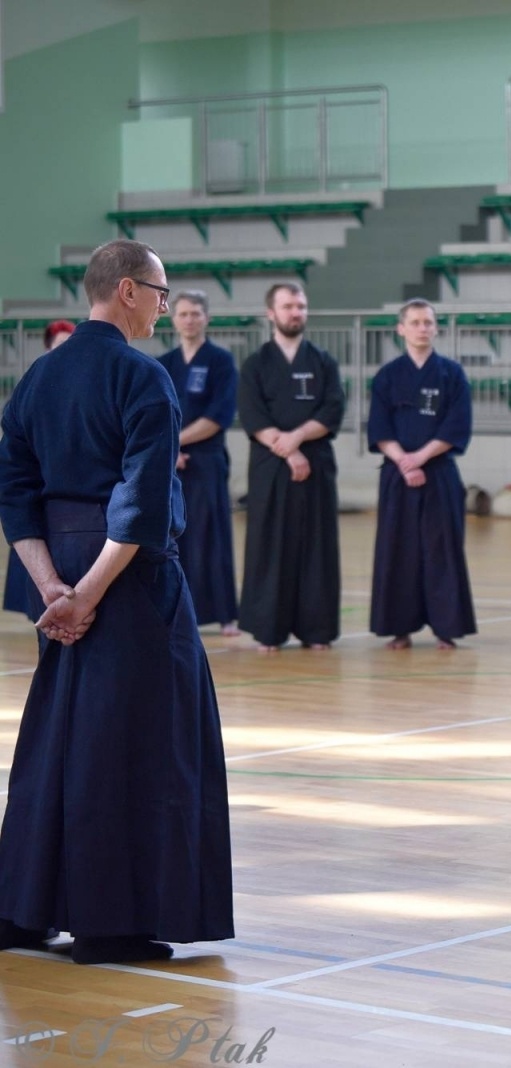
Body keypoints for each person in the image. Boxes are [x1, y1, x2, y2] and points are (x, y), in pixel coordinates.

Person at [0, 239, 233, 963]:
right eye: (160, 292)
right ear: (127, 290)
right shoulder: (142, 375)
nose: (164, 306)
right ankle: (112, 923)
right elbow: (139, 503)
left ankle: (23, 911)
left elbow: (15, 492)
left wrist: (51, 587)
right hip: (126, 580)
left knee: (59, 736)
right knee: (141, 742)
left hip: (60, 570)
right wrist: (87, 596)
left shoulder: (39, 376)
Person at [237, 282, 346, 652]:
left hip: (316, 465)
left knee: (317, 545)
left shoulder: (323, 361)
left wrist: (297, 439)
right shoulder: (256, 364)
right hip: (270, 466)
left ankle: (317, 630)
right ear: (271, 313)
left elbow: (332, 409)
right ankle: (269, 630)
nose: (296, 312)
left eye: (300, 306)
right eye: (288, 306)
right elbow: (252, 414)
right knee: (270, 545)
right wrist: (287, 450)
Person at [368, 298, 476, 651]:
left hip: (439, 473)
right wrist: (404, 461)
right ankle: (399, 628)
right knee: (398, 550)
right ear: (401, 328)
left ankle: (446, 627)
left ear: (436, 328)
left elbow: (457, 426)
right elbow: (379, 428)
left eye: (428, 322)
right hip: (397, 475)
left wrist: (420, 458)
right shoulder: (387, 376)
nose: (422, 328)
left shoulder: (452, 374)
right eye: (414, 322)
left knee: (442, 549)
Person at [157, 290, 240, 635]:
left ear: (207, 318)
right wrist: (168, 450)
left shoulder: (220, 361)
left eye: (195, 313)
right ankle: (175, 611)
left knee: (213, 535)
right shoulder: (164, 363)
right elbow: (156, 414)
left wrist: (176, 442)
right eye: (183, 314)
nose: (189, 320)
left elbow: (219, 415)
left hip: (206, 461)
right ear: (173, 319)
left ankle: (224, 615)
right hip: (170, 464)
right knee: (174, 537)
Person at [3, 321, 79, 618]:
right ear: (48, 348)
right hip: (40, 488)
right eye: (59, 345)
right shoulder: (32, 387)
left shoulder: (84, 386)